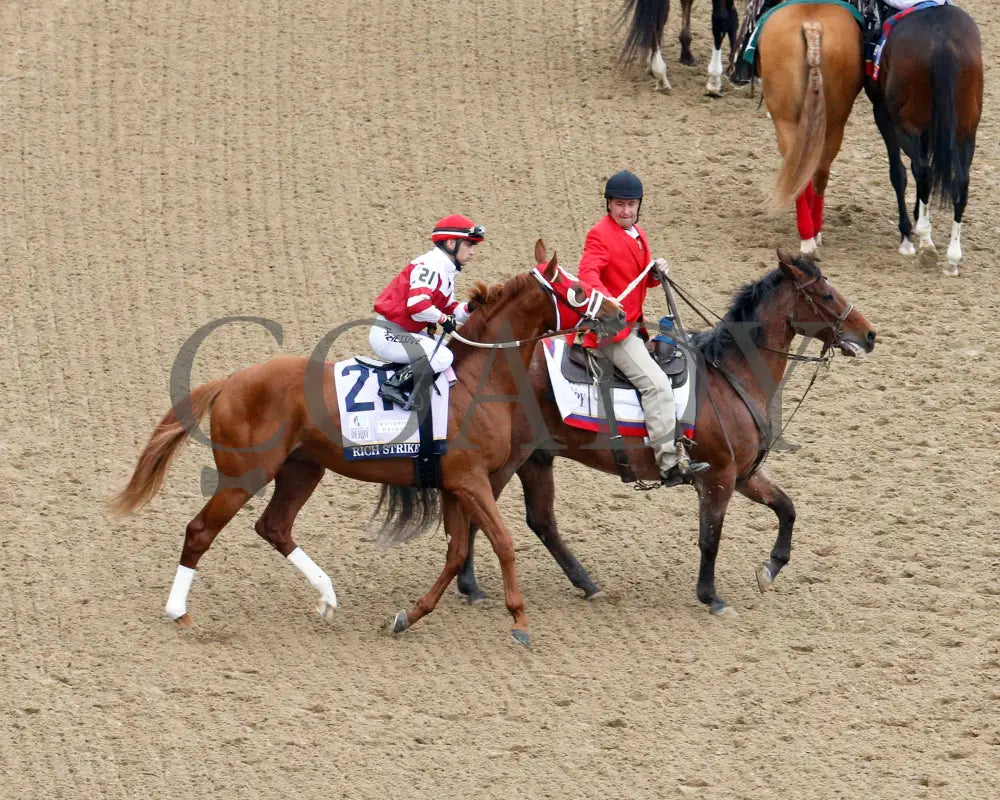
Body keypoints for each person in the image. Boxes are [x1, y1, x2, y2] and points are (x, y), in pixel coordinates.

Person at [578, 170, 708, 486]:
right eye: (620, 204)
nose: (626, 210)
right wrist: (607, 302)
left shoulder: (637, 233)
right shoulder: (599, 235)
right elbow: (587, 274)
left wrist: (655, 272)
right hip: (612, 332)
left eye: (631, 204)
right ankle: (668, 464)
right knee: (657, 385)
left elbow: (637, 278)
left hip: (635, 327)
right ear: (609, 205)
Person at [370, 214, 485, 407]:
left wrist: (471, 308)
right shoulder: (431, 266)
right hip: (389, 334)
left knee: (452, 350)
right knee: (443, 356)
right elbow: (417, 306)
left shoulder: (446, 271)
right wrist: (442, 318)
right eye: (469, 245)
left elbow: (450, 309)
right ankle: (393, 386)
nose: (472, 252)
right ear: (451, 243)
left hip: (404, 332)